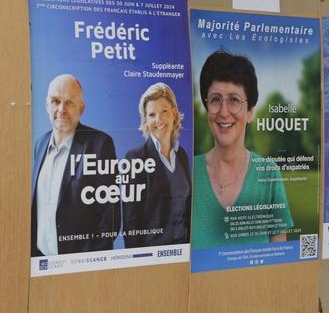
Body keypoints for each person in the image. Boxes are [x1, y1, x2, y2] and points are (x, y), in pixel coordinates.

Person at [192, 50, 293, 247]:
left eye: (234, 100)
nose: (223, 112)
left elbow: (280, 258)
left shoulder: (269, 174)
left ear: (250, 112)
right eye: (215, 99)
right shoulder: (188, 172)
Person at [31, 74, 120, 256]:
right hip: (40, 262)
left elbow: (110, 216)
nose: (61, 109)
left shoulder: (99, 144)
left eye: (69, 102)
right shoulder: (40, 144)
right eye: (56, 101)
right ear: (46, 105)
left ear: (81, 109)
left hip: (79, 267)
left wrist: (91, 262)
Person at [123, 83, 191, 248]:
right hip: (153, 258)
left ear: (174, 114)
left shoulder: (182, 155)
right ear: (145, 119)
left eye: (164, 112)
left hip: (183, 254)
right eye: (152, 114)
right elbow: (130, 224)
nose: (158, 120)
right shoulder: (134, 158)